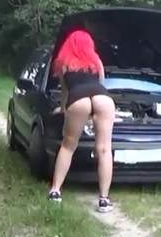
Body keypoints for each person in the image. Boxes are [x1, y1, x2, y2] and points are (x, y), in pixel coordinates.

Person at [47, 28, 115, 212]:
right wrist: (95, 115)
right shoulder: (96, 61)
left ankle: (55, 191)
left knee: (68, 146)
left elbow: (65, 91)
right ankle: (104, 200)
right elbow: (99, 84)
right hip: (103, 98)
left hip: (78, 99)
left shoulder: (64, 63)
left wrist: (63, 109)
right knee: (104, 149)